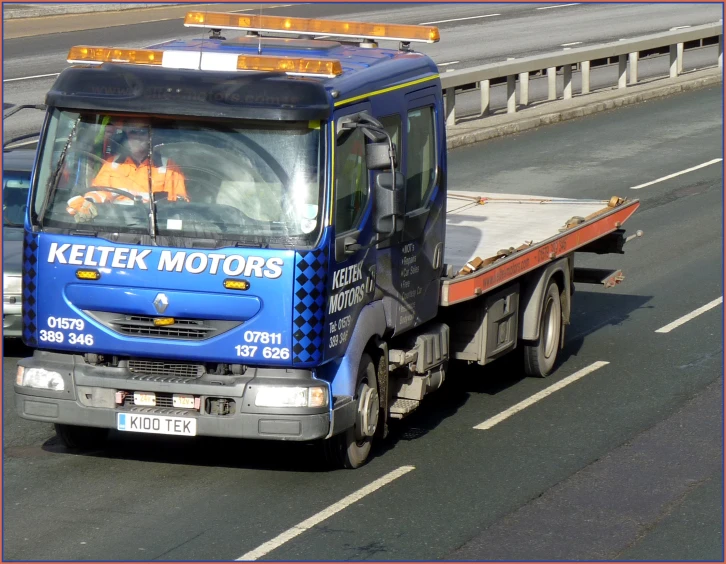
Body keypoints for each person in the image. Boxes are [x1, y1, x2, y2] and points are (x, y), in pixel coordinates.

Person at [66, 119, 188, 222]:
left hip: (153, 225)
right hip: (117, 223)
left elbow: (178, 203)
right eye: (133, 132)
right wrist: (88, 201)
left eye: (143, 132)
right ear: (125, 136)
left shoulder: (168, 166)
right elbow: (99, 191)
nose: (137, 137)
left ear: (150, 136)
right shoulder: (112, 163)